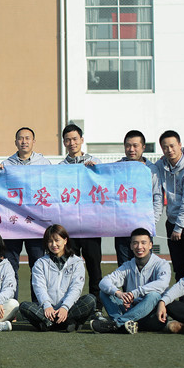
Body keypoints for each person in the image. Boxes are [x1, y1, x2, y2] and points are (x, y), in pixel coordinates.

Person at [0, 126, 50, 296]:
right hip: (13, 224)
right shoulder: (6, 165)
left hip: (36, 223)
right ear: (15, 142)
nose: (24, 141)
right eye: (20, 138)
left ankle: (39, 304)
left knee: (38, 266)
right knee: (10, 266)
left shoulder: (44, 163)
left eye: (27, 138)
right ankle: (12, 304)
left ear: (33, 141)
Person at [91, 227, 171, 334]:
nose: (139, 247)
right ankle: (124, 324)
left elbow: (162, 284)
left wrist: (134, 293)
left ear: (150, 245)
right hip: (132, 310)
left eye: (143, 243)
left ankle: (117, 324)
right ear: (131, 246)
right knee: (104, 292)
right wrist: (119, 293)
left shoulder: (161, 264)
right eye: (135, 243)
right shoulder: (128, 265)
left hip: (153, 315)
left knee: (154, 295)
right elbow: (104, 282)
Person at [18, 224, 96, 332]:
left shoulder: (77, 262)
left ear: (65, 240)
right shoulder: (40, 263)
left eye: (57, 240)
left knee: (90, 300)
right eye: (50, 241)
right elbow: (39, 287)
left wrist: (65, 307)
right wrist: (47, 306)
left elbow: (76, 288)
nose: (54, 244)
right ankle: (67, 322)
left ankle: (48, 324)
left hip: (69, 309)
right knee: (24, 306)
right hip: (48, 309)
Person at [156, 130, 184, 307]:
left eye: (172, 146)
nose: (169, 150)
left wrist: (179, 227)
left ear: (180, 145)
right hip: (172, 222)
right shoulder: (163, 165)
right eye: (165, 147)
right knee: (179, 268)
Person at [58, 124, 102, 309]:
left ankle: (96, 307)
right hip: (70, 227)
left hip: (91, 225)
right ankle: (69, 306)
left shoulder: (95, 162)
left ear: (82, 140)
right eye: (68, 140)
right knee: (70, 269)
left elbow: (104, 185)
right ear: (64, 143)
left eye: (75, 139)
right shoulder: (60, 168)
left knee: (94, 267)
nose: (72, 143)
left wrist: (96, 171)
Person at [114, 130, 163, 265]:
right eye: (128, 146)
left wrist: (151, 222)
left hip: (143, 226)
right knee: (124, 267)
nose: (131, 149)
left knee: (145, 266)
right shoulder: (116, 167)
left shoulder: (151, 170)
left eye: (135, 146)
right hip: (122, 227)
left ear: (143, 147)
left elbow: (157, 197)